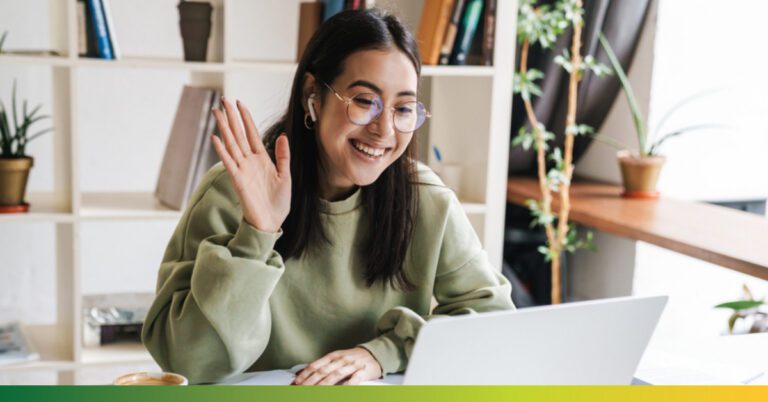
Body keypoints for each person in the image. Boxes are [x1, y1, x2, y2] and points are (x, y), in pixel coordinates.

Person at [141, 8, 514, 386]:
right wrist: (258, 232)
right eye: (365, 101)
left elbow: (493, 320)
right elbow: (189, 363)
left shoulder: (427, 200)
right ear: (313, 97)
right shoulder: (232, 192)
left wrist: (383, 352)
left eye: (403, 108)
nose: (384, 130)